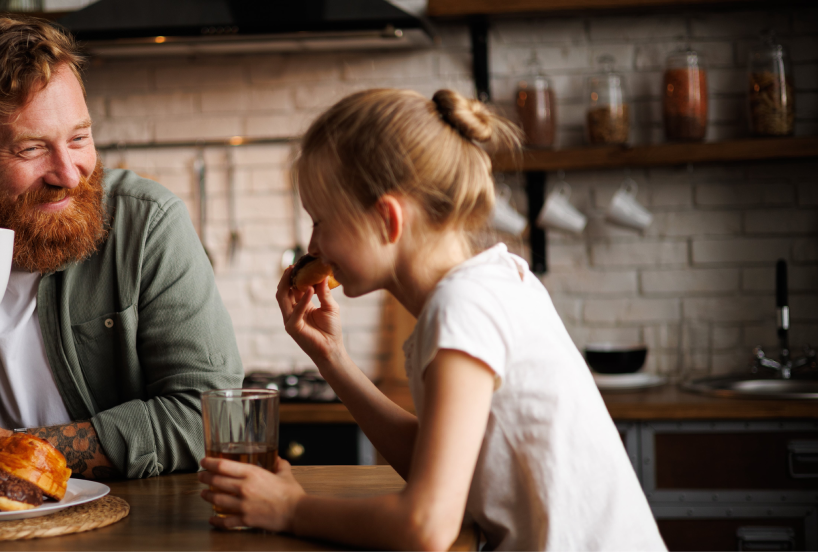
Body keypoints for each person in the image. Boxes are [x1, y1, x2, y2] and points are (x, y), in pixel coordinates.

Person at [199, 89, 666, 551]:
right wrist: (331, 357)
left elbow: (426, 525)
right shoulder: (491, 282)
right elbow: (438, 457)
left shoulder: (462, 307)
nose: (313, 245)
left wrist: (289, 509)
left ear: (387, 219)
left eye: (321, 220)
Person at [0, 14, 242, 480]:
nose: (69, 174)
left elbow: (213, 421)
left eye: (79, 138)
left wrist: (6, 449)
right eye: (31, 149)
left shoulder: (148, 223)